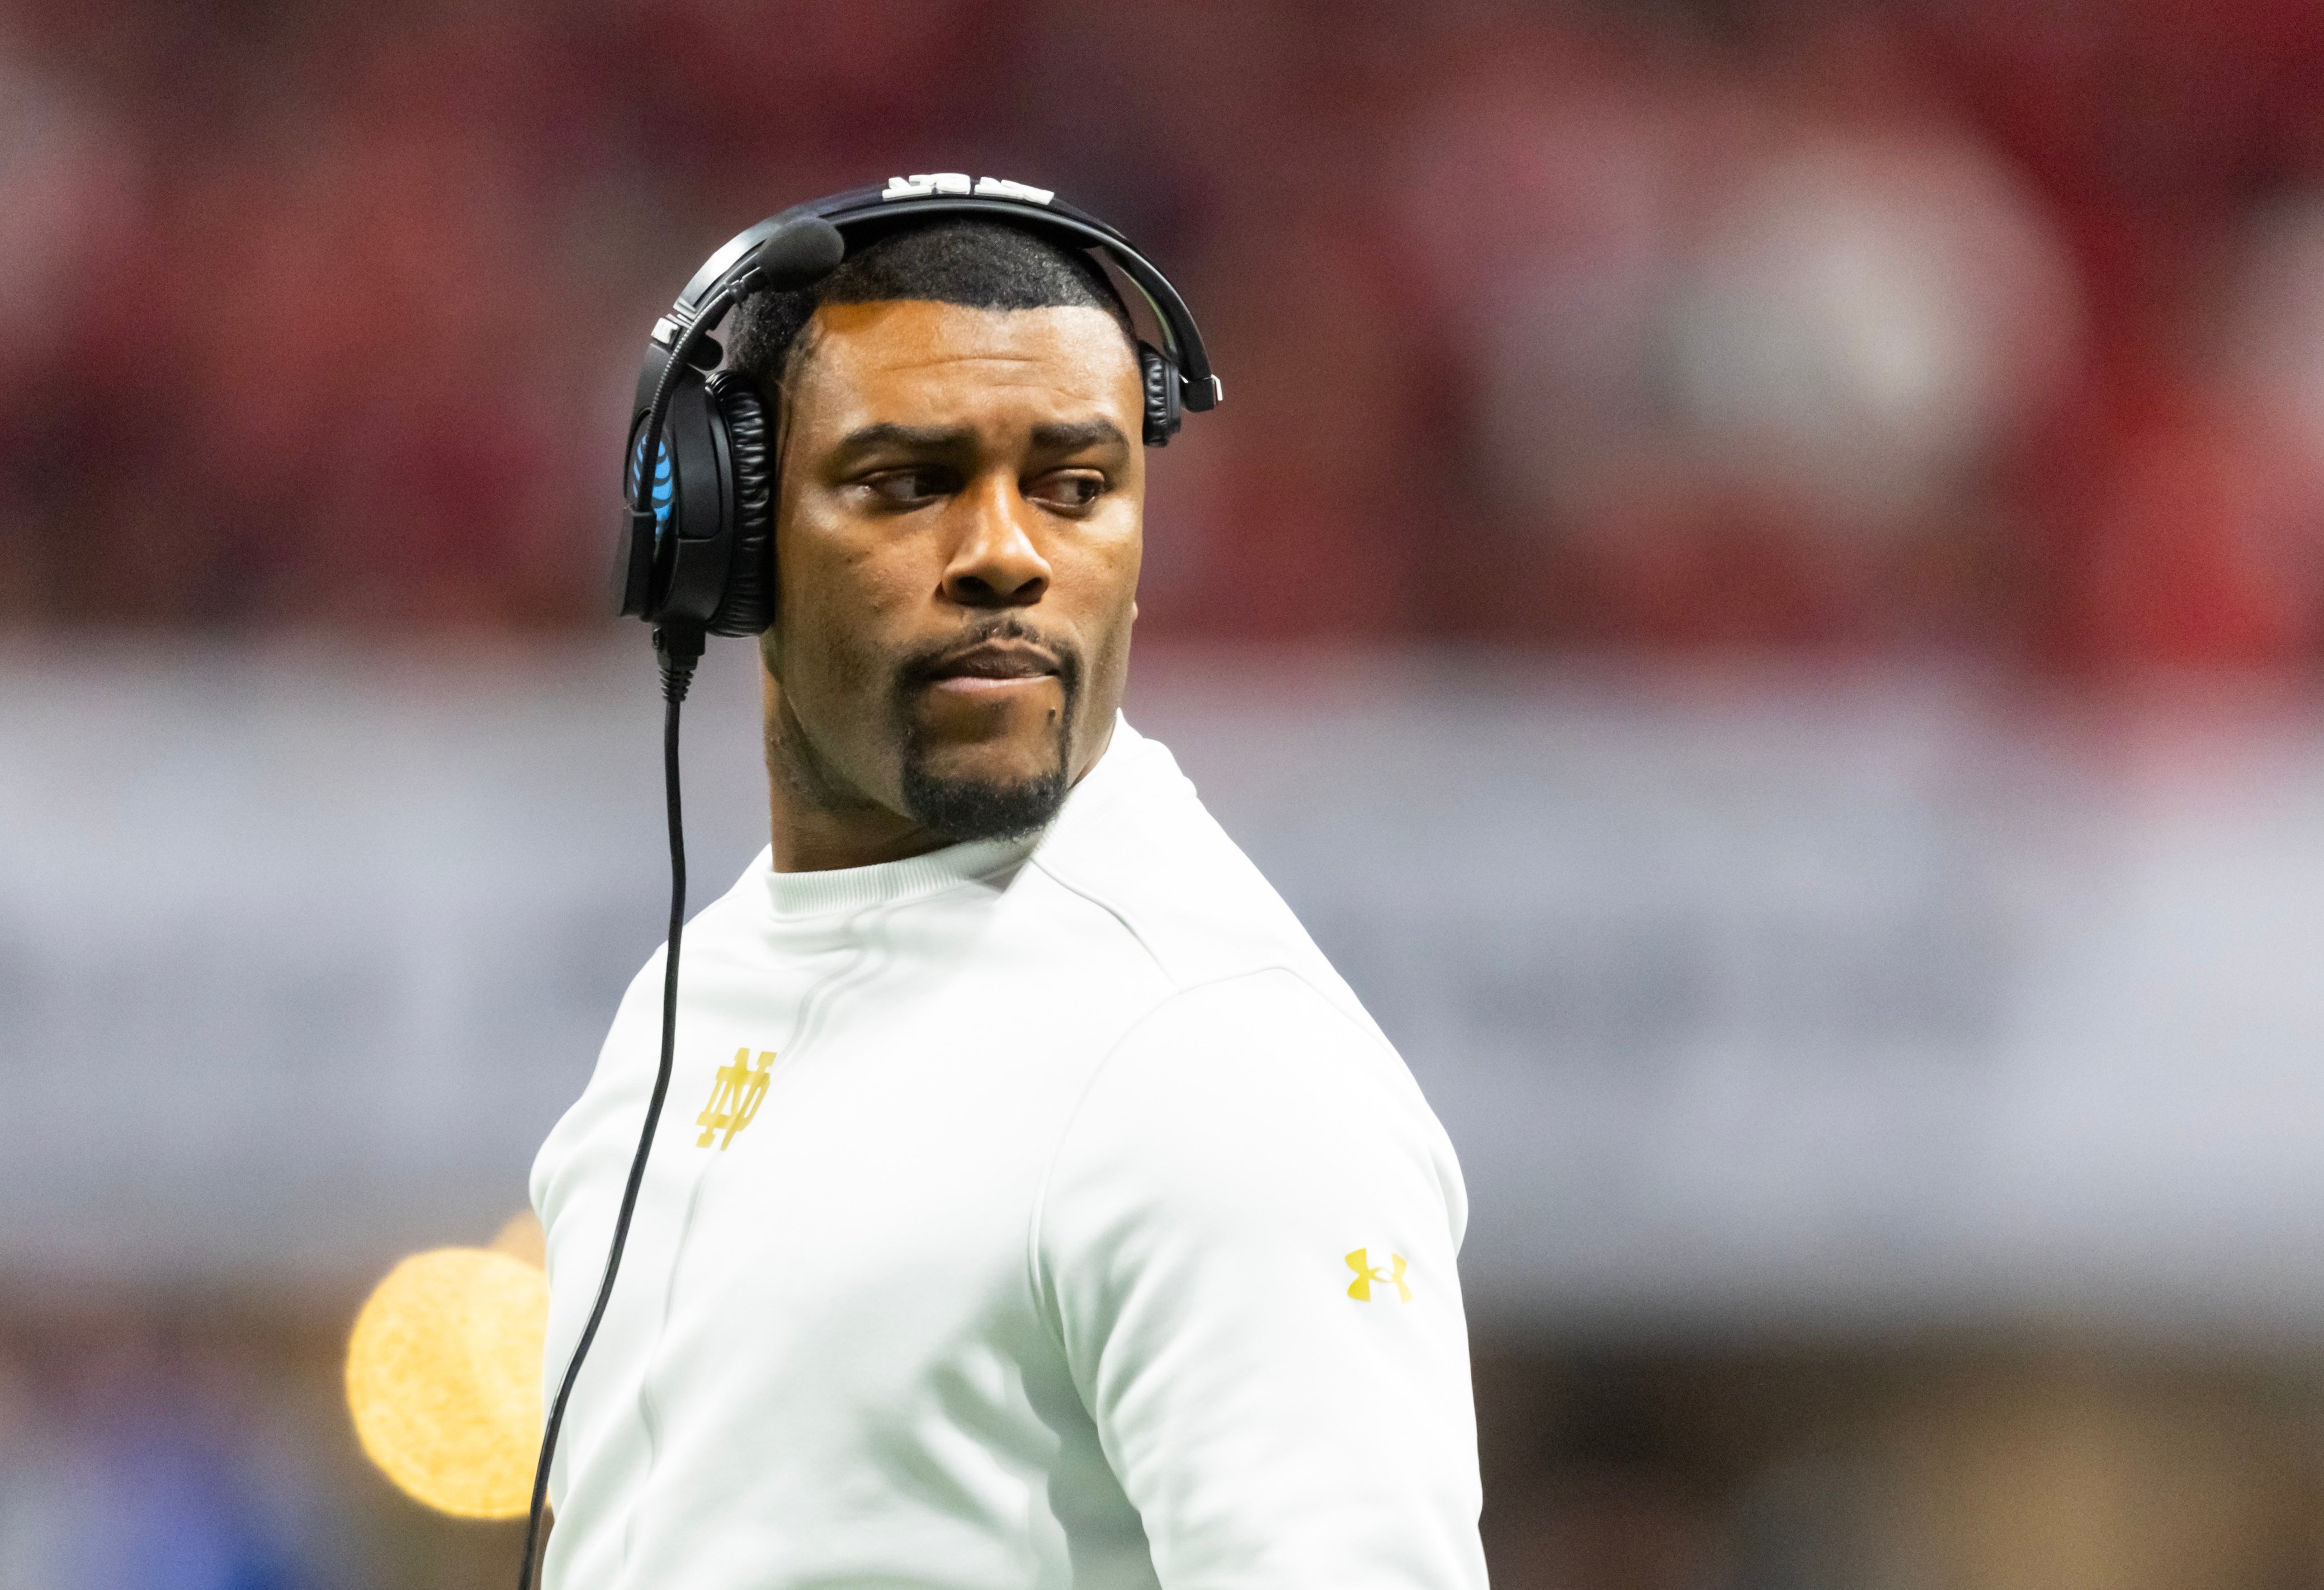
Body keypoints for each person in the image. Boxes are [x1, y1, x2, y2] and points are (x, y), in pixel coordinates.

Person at [531, 209, 1485, 1589]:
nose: (1006, 552)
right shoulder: (683, 1002)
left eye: (1076, 485)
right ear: (730, 548)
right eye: (909, 482)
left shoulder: (1213, 1061)